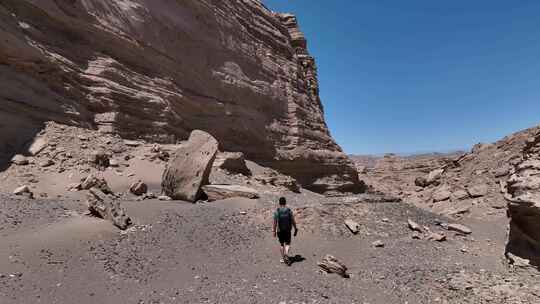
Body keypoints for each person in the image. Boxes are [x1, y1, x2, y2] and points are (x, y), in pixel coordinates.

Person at [273, 197, 298, 265]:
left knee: (281, 244)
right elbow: (293, 221)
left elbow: (275, 223)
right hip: (287, 230)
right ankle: (286, 254)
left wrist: (274, 231)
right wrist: (295, 228)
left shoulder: (277, 211)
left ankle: (283, 258)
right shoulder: (289, 211)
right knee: (288, 243)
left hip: (279, 230)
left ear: (279, 202)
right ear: (285, 202)